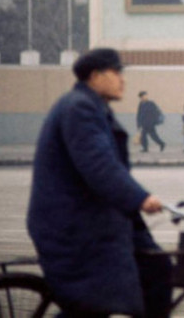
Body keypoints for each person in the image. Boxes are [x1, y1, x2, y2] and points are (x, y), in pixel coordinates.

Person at [27, 48, 171, 318]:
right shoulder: (79, 108)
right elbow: (99, 165)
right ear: (95, 76)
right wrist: (140, 198)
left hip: (98, 218)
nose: (122, 80)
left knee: (156, 268)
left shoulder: (94, 107)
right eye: (116, 72)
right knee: (93, 302)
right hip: (73, 226)